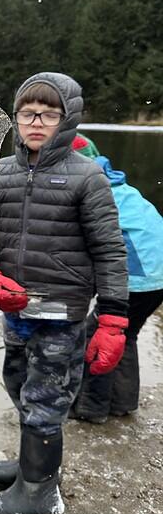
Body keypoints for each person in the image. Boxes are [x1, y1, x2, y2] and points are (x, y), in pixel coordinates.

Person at [0, 73, 128, 514]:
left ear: (67, 119)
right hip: (15, 309)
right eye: (27, 113)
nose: (37, 123)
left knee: (46, 397)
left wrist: (113, 319)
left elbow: (110, 250)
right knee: (17, 383)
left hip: (63, 313)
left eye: (49, 114)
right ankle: (34, 466)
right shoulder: (1, 172)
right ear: (15, 118)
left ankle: (38, 493)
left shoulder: (87, 178)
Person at [71, 135, 163, 422]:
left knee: (97, 336)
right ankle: (123, 402)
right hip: (158, 275)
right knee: (127, 333)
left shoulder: (89, 190)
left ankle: (92, 408)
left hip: (138, 276)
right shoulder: (117, 183)